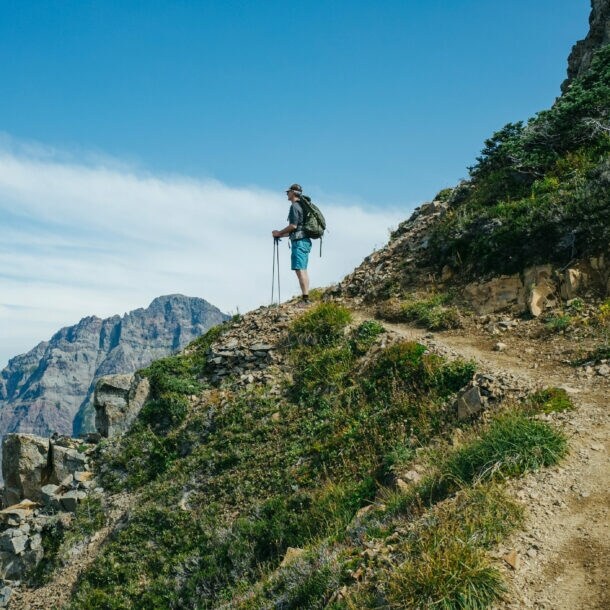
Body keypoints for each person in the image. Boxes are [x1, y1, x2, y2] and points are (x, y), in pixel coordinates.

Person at [272, 183, 312, 305]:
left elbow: (293, 226)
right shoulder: (303, 207)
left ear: (293, 193)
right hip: (304, 241)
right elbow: (297, 229)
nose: (287, 194)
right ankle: (306, 297)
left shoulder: (295, 206)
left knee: (300, 270)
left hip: (299, 243)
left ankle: (306, 299)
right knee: (302, 269)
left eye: (288, 192)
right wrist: (281, 235)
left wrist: (279, 232)